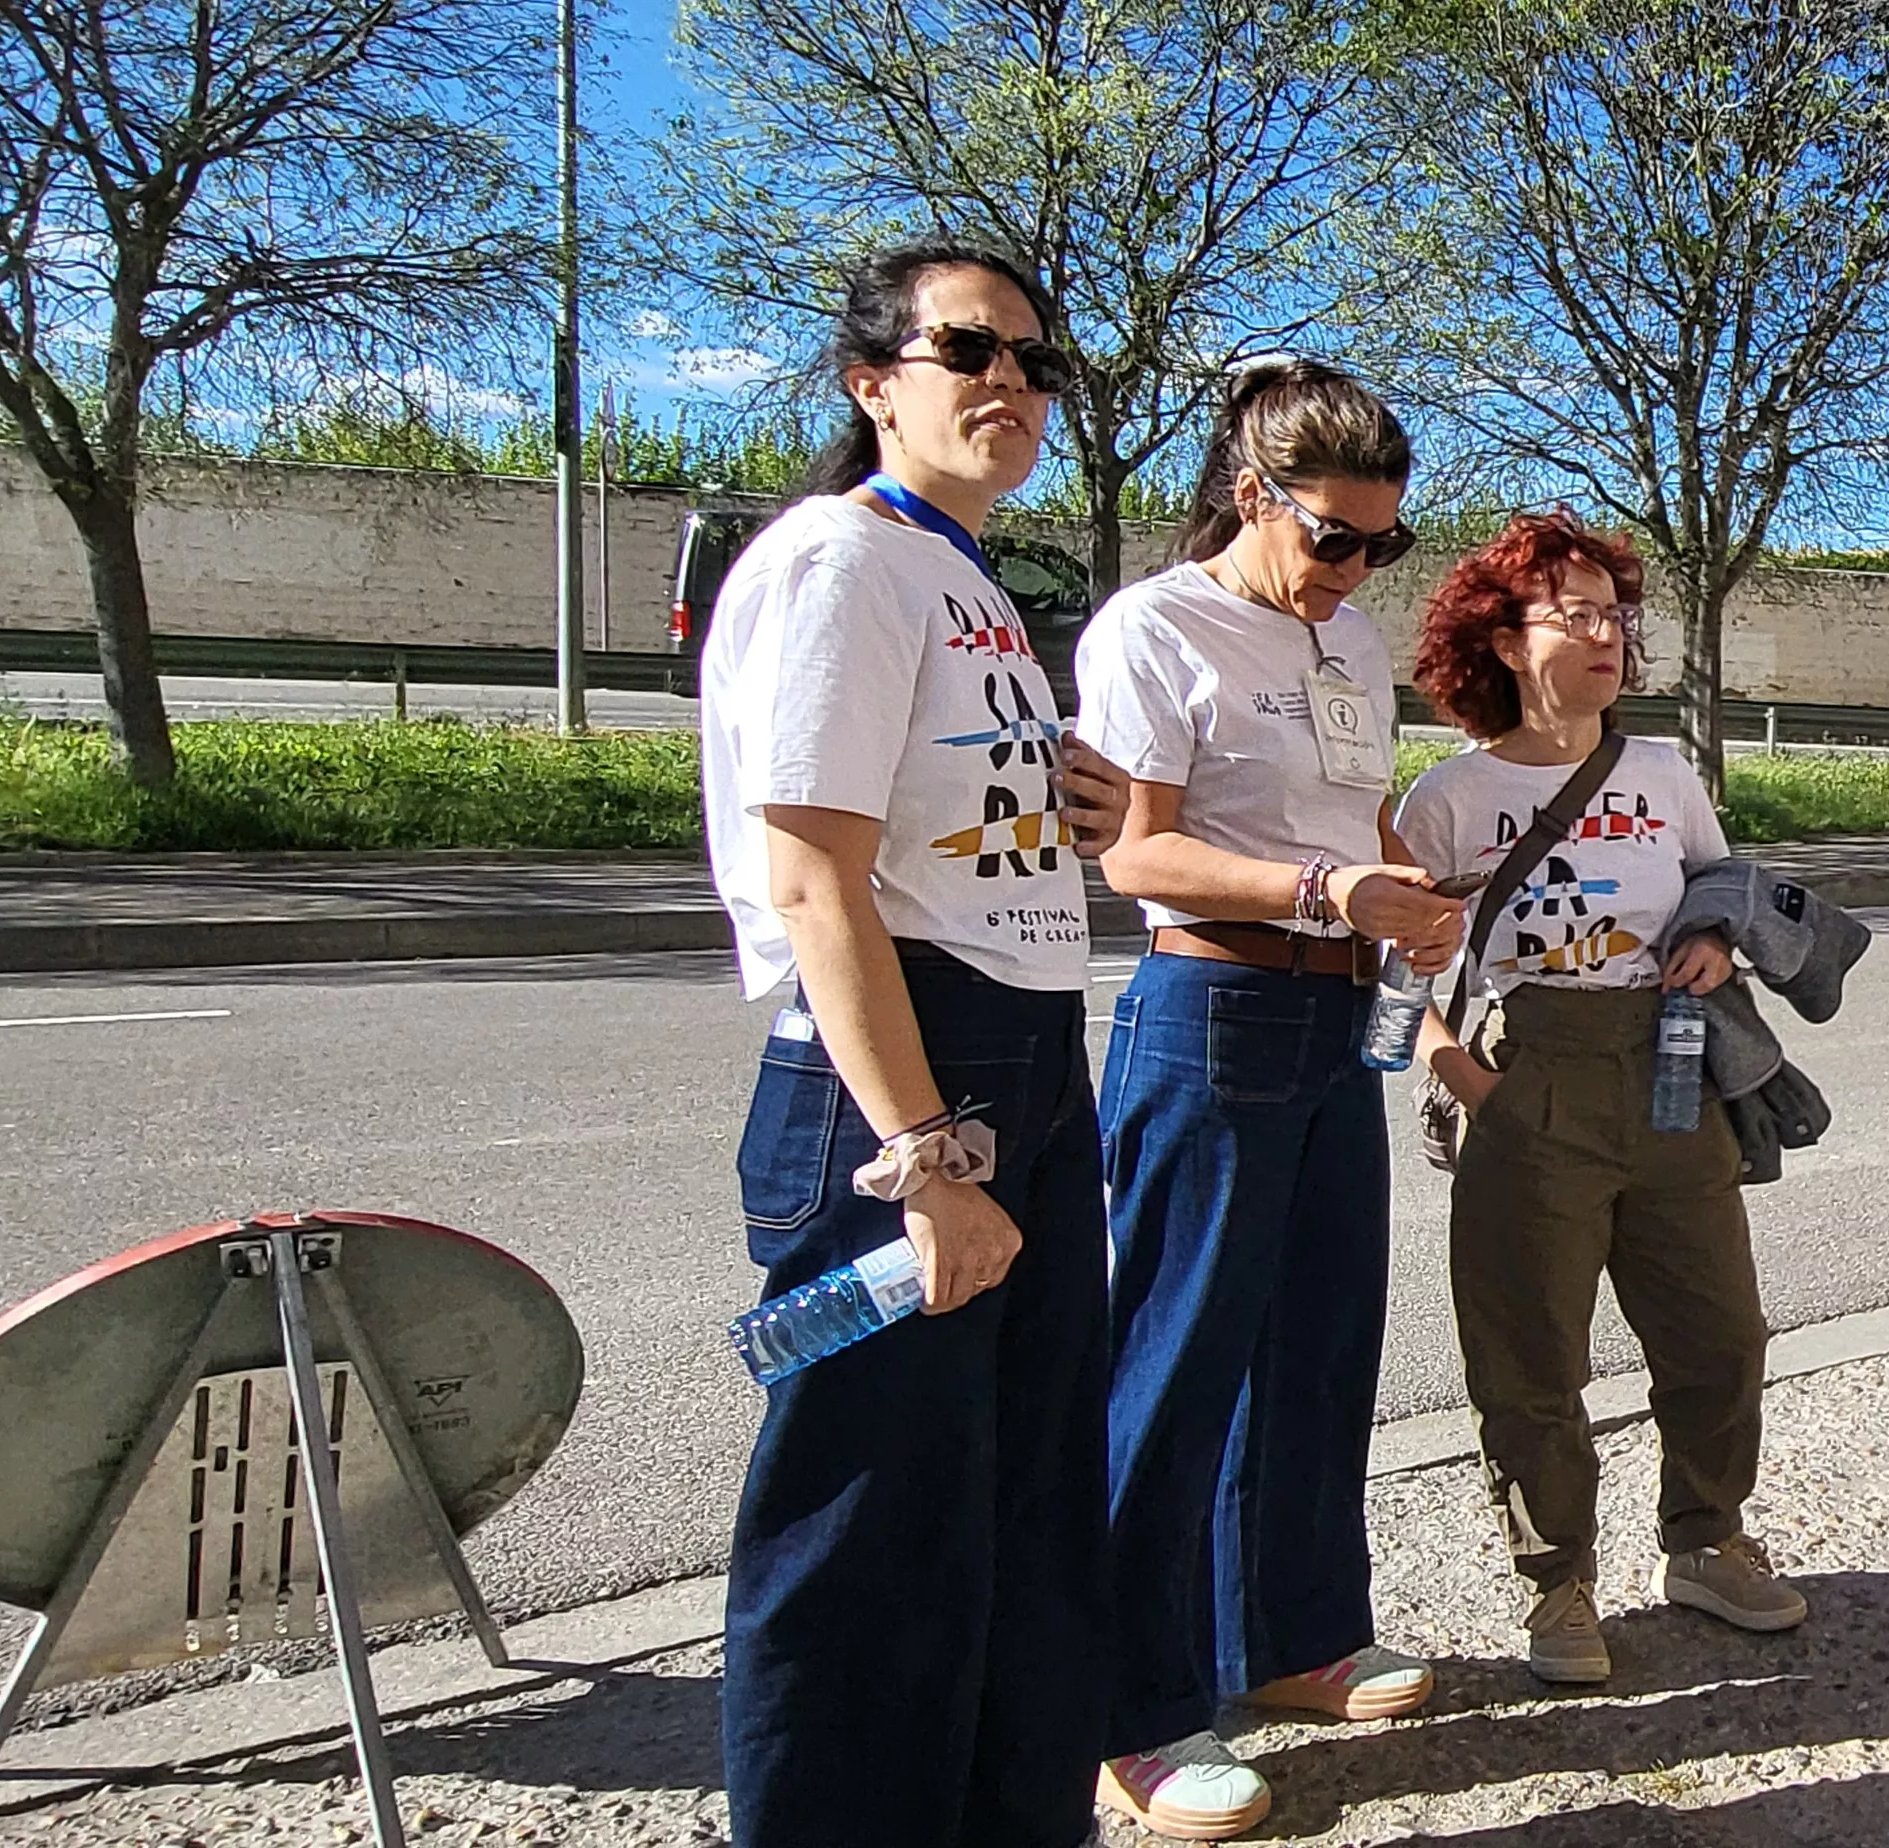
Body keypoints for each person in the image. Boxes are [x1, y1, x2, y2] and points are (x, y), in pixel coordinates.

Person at [702, 240, 1125, 1848]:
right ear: (874, 381)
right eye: (971, 352)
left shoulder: (963, 578)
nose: (1011, 383)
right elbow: (813, 877)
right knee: (867, 1537)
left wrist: (1057, 803)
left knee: (1017, 1515)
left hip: (1020, 1046)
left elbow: (929, 827)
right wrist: (930, 1149)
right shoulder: (842, 559)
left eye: (1036, 360)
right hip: (901, 1080)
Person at [1074, 358, 1467, 1843]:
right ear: (1253, 495)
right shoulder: (1156, 628)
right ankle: (1130, 1713)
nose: (1354, 570)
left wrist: (1406, 895)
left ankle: (1294, 1637)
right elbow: (1137, 856)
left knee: (1316, 1345)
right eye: (1331, 538)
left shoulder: (1353, 643)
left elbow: (1354, 818)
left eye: (1382, 543)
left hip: (1327, 1013)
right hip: (1211, 1006)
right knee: (1172, 1366)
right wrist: (1326, 887)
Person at [1393, 512, 1801, 1690]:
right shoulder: (1449, 802)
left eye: (1612, 611)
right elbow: (1385, 983)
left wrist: (1718, 943)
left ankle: (1707, 1542)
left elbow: (1723, 890)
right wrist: (1457, 1070)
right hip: (1531, 1079)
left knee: (1718, 1334)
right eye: (1569, 613)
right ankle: (1557, 1581)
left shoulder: (1664, 773)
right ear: (1504, 642)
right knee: (1529, 1361)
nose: (1604, 633)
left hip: (1670, 1072)